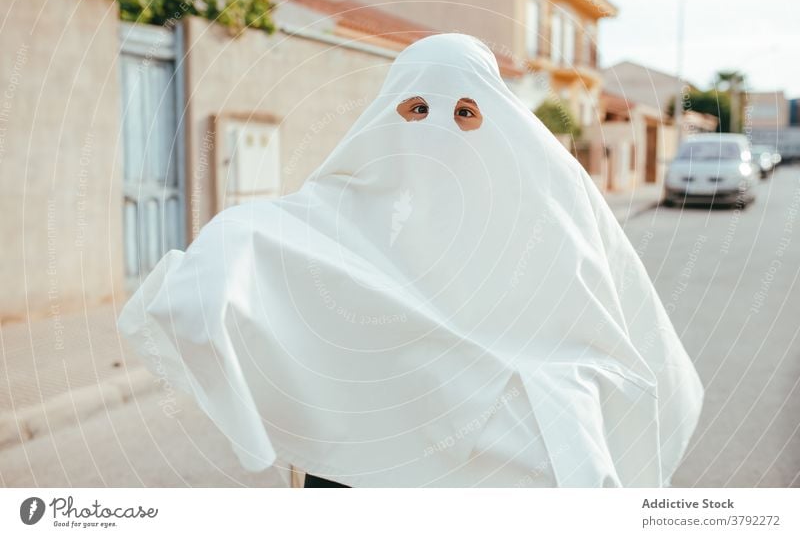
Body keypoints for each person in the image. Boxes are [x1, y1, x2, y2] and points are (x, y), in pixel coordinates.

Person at [117, 33, 704, 488]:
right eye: (418, 109)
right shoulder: (341, 211)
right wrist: (221, 261)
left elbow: (597, 341)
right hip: (357, 474)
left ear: (494, 119)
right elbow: (258, 243)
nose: (439, 132)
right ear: (389, 112)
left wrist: (545, 398)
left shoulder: (545, 219)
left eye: (465, 113)